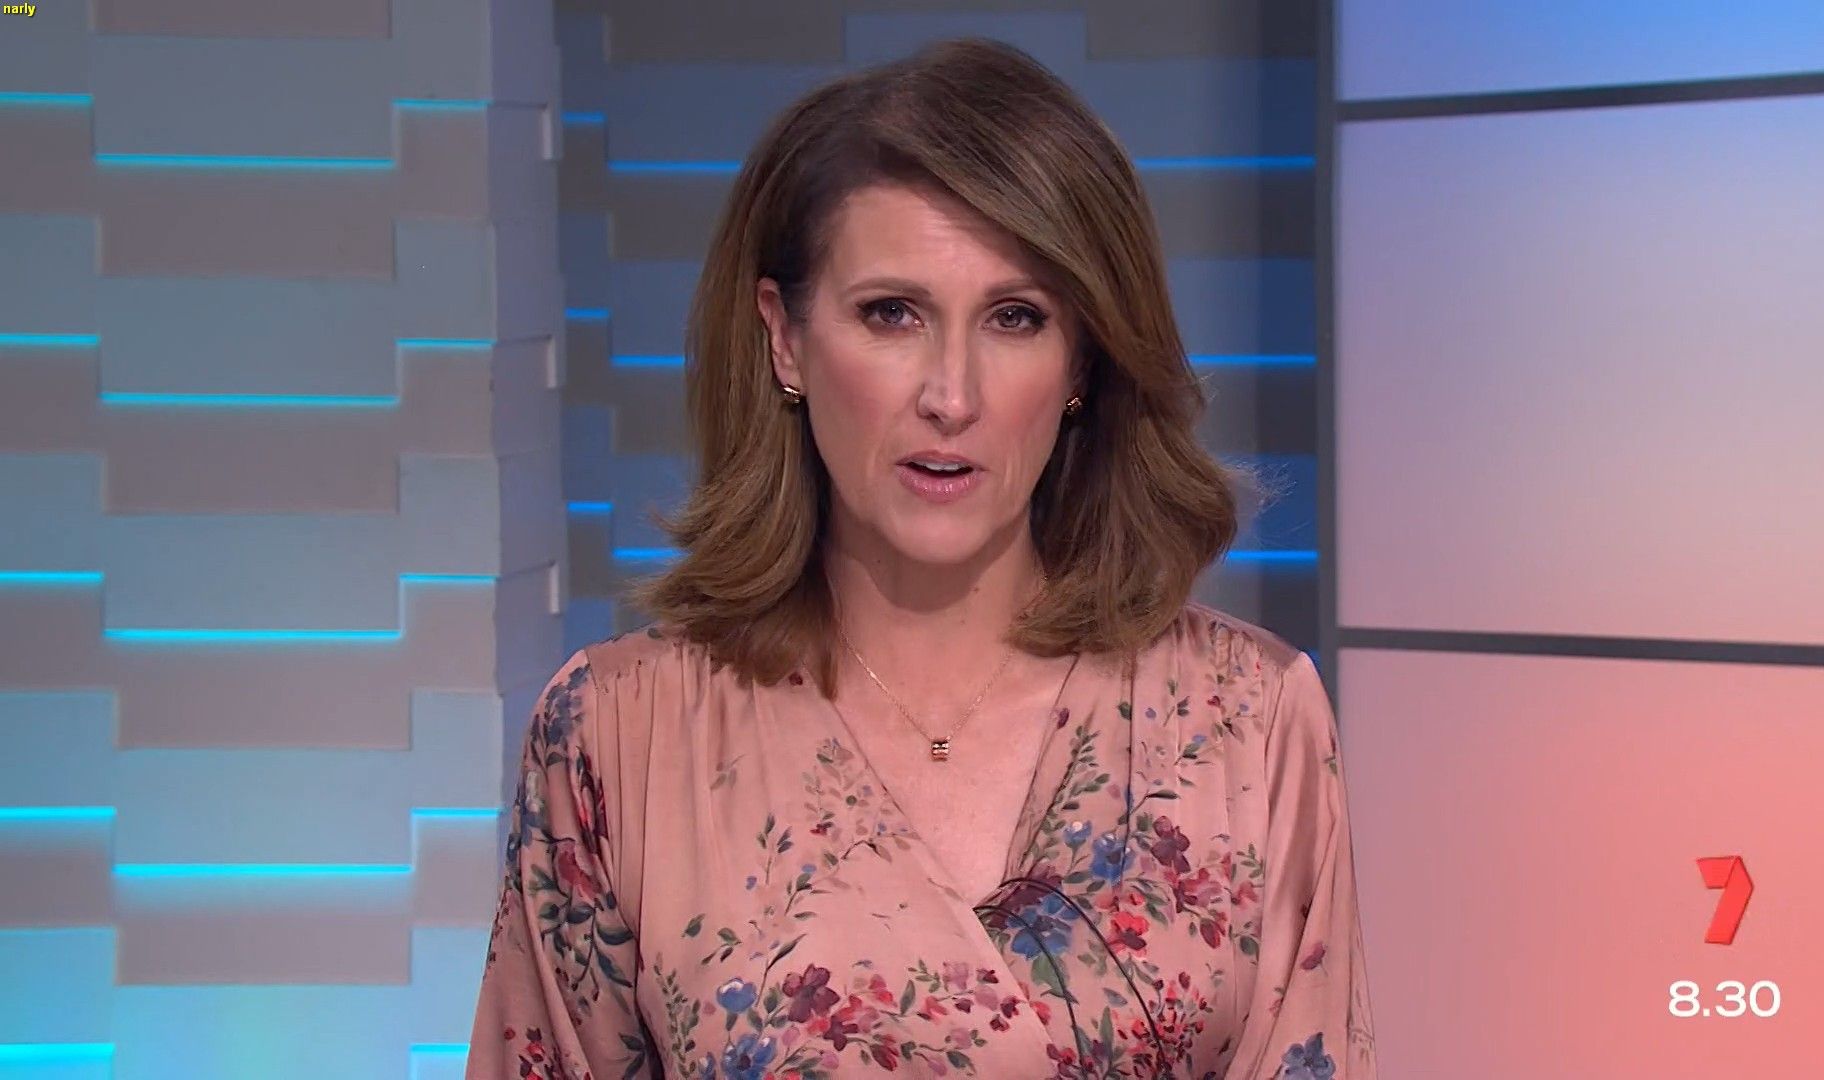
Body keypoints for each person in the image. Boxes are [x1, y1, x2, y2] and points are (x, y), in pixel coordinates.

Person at [466, 36, 1377, 1080]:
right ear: (785, 338)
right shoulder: (617, 739)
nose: (952, 395)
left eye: (1015, 318)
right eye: (892, 314)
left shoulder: (1250, 723)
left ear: (1082, 360)